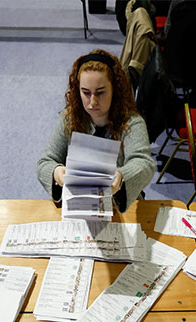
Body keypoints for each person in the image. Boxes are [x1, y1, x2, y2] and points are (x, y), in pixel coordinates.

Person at [37, 49, 154, 213]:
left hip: (120, 206)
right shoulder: (70, 118)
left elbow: (144, 163)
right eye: (86, 93)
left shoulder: (132, 122)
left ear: (115, 89)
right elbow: (45, 162)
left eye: (100, 93)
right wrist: (56, 172)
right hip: (78, 205)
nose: (92, 102)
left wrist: (120, 176)